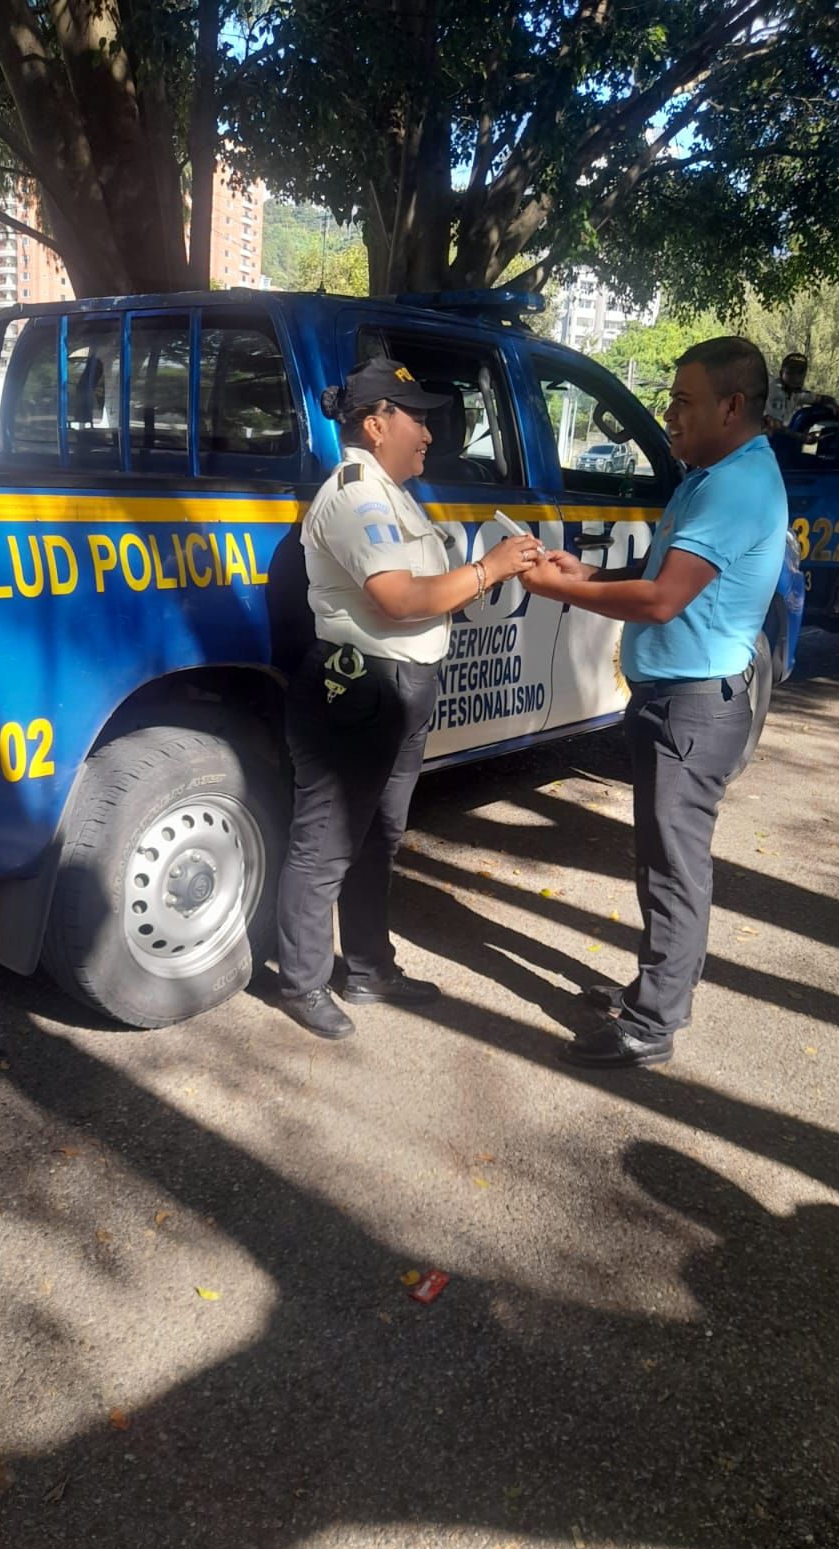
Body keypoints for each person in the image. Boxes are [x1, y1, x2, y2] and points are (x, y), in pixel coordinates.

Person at [519, 336, 787, 1069]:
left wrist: (557, 588)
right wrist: (587, 572)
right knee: (666, 861)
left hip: (692, 709)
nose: (669, 414)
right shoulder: (713, 476)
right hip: (678, 702)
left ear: (732, 406)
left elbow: (664, 599)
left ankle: (652, 1024)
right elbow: (660, 569)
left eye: (683, 401)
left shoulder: (735, 486)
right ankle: (659, 988)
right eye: (670, 400)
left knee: (673, 866)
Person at [276, 355, 543, 1039]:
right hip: (358, 686)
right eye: (416, 418)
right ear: (376, 423)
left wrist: (486, 573)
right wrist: (488, 568)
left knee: (379, 837)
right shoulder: (357, 496)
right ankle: (302, 981)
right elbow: (397, 599)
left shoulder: (393, 494)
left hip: (401, 687)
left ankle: (370, 968)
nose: (429, 432)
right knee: (327, 842)